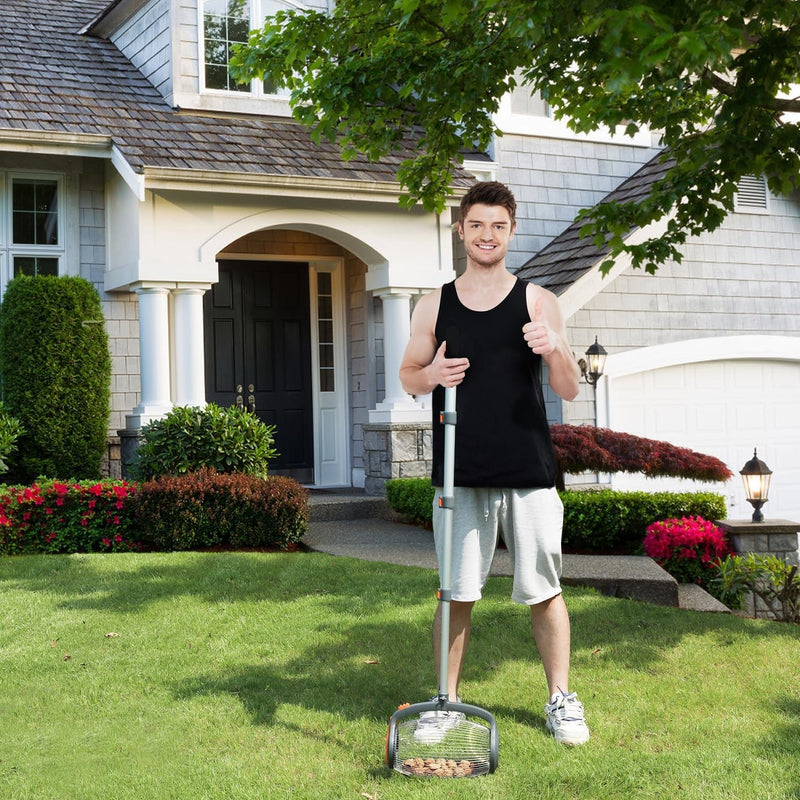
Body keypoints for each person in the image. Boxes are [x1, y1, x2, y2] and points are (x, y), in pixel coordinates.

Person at [398, 180, 590, 746]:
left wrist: (553, 346)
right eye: (477, 225)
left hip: (528, 470)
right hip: (460, 471)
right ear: (461, 231)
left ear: (511, 231)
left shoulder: (537, 300)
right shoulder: (435, 302)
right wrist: (431, 376)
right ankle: (445, 701)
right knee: (455, 590)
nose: (487, 235)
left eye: (498, 226)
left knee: (544, 588)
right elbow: (409, 376)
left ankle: (561, 700)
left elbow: (570, 389)